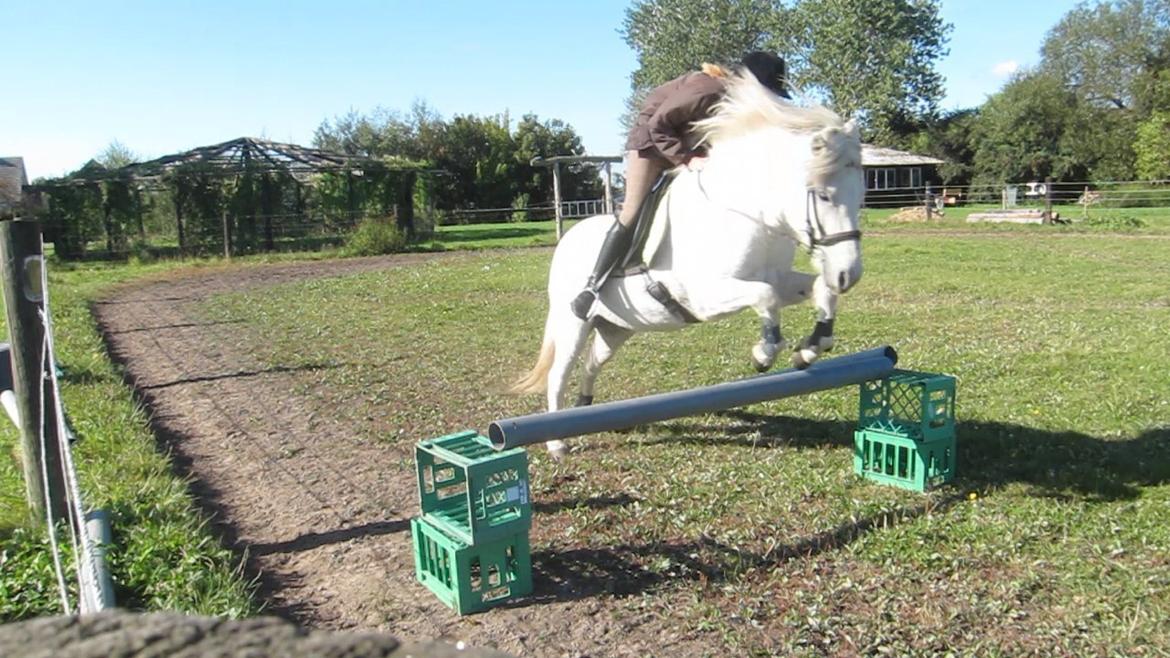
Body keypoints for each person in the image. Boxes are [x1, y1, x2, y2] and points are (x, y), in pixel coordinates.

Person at [570, 51, 792, 320]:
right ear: (751, 83)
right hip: (650, 145)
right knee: (632, 210)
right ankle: (592, 286)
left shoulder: (733, 101)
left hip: (682, 145)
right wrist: (687, 158)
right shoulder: (707, 89)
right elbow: (658, 126)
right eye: (768, 92)